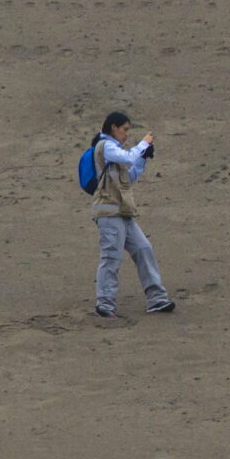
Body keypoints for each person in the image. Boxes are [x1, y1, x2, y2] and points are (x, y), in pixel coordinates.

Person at [89, 111, 174, 318]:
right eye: (125, 130)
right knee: (112, 257)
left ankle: (157, 299)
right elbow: (127, 159)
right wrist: (143, 144)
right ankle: (105, 305)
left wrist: (143, 159)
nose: (127, 134)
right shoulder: (106, 146)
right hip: (109, 213)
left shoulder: (114, 151)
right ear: (113, 128)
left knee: (144, 249)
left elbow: (130, 176)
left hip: (122, 212)